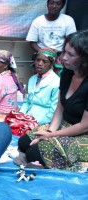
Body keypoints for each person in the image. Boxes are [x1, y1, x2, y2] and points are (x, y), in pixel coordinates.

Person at [17, 30, 88, 172]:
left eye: (70, 55)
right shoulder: (67, 73)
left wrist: (51, 135)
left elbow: (84, 126)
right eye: (64, 52)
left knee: (34, 153)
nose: (63, 58)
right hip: (66, 125)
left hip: (83, 133)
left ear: (84, 58)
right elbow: (60, 108)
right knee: (24, 142)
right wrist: (48, 132)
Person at [26, 0, 76, 75]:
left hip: (60, 55)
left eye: (58, 3)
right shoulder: (38, 21)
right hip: (42, 55)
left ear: (62, 6)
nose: (54, 6)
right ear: (47, 4)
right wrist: (45, 54)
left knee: (59, 80)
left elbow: (71, 40)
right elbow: (32, 42)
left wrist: (64, 53)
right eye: (51, 3)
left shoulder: (68, 20)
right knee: (41, 80)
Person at [19, 48, 60, 125]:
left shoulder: (56, 82)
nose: (40, 63)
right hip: (27, 118)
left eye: (45, 61)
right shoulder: (32, 79)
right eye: (38, 60)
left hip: (43, 121)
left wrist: (36, 123)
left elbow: (54, 110)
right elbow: (27, 101)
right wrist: (21, 114)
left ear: (51, 64)